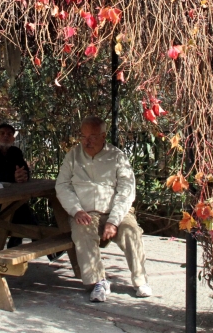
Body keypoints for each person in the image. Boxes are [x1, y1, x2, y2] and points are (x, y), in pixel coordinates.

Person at [55, 116, 152, 302]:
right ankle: (98, 282)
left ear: (103, 136)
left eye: (92, 137)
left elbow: (126, 190)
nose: (86, 141)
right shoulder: (73, 156)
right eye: (83, 136)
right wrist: (76, 210)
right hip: (86, 212)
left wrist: (114, 221)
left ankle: (140, 281)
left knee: (131, 232)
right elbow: (62, 185)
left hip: (116, 211)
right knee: (82, 232)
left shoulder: (117, 156)